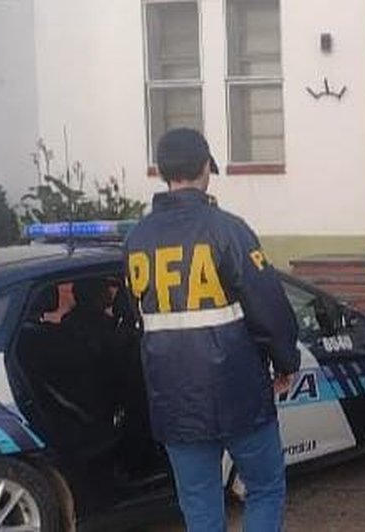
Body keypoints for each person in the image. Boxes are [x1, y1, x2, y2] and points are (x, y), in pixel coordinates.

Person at [124, 128, 300, 532]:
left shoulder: (136, 239)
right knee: (265, 488)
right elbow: (269, 307)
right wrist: (285, 361)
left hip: (174, 401)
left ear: (162, 172)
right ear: (205, 167)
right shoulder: (229, 230)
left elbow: (138, 318)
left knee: (200, 505)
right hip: (240, 395)